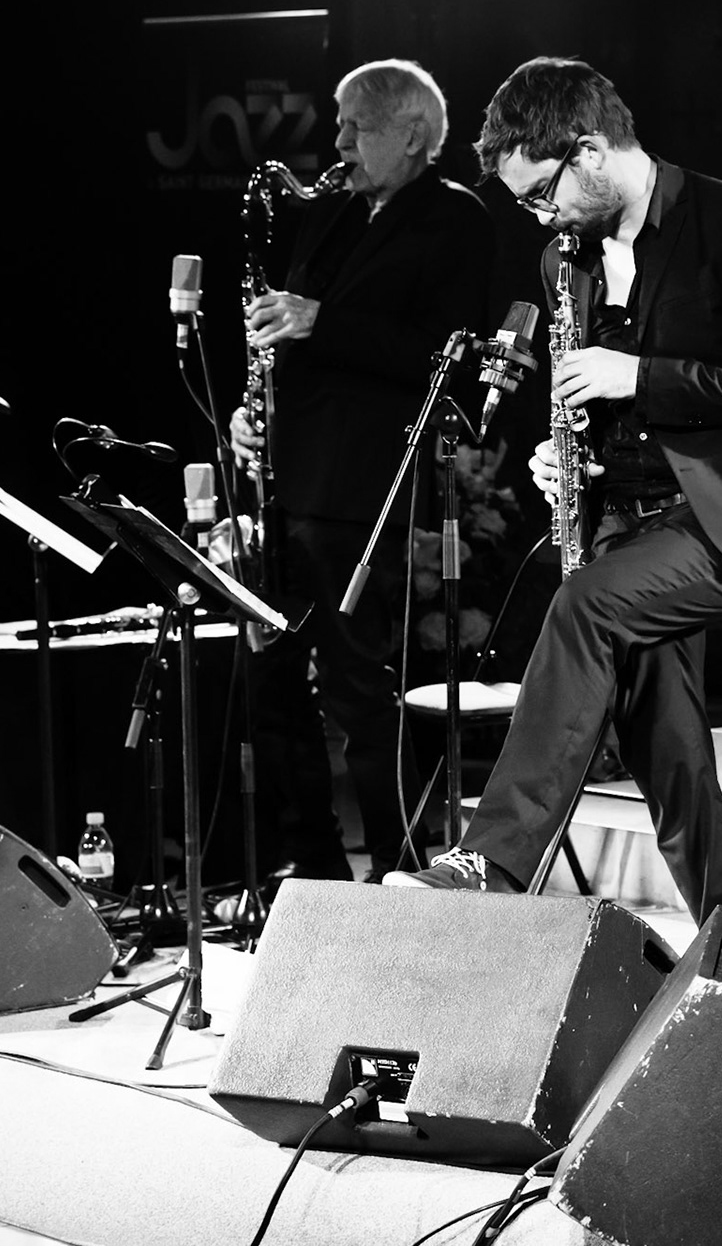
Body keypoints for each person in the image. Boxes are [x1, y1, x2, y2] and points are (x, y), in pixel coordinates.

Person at [385, 58, 722, 920]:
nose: (537, 218)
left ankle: (493, 864)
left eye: (542, 193)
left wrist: (639, 377)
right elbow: (586, 395)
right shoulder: (564, 256)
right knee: (668, 749)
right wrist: (566, 458)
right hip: (627, 520)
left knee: (584, 607)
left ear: (589, 152)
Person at [231, 59, 495, 882]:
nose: (336, 141)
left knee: (356, 690)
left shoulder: (454, 219)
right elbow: (298, 342)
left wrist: (322, 320)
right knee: (267, 682)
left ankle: (397, 862)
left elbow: (450, 357)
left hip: (365, 487)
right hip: (291, 478)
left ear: (411, 134)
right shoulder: (336, 213)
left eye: (355, 125)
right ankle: (310, 868)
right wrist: (256, 415)